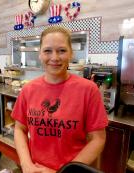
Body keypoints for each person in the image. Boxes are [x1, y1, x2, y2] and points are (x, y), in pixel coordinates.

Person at [11, 26, 108, 173]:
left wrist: (65, 172)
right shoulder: (28, 90)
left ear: (71, 53)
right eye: (47, 51)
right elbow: (19, 129)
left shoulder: (88, 90)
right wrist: (26, 165)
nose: (54, 57)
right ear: (40, 54)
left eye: (61, 50)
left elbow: (98, 139)